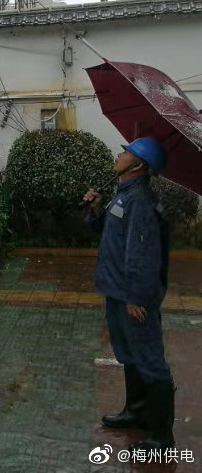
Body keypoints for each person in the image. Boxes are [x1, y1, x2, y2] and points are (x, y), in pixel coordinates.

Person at [83, 137, 174, 454]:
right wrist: (97, 209)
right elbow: (112, 235)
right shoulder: (123, 195)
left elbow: (142, 256)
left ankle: (161, 438)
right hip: (117, 292)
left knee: (150, 359)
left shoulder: (141, 202)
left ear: (139, 165)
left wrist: (136, 297)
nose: (119, 154)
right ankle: (137, 412)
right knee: (129, 354)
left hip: (133, 298)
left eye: (127, 152)